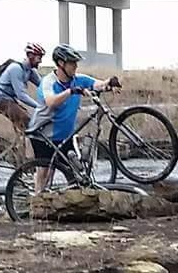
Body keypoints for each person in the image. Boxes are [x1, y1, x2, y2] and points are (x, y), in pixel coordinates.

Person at [29, 43, 120, 190]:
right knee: (45, 173)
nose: (76, 66)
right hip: (43, 134)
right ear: (61, 63)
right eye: (72, 63)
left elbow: (98, 84)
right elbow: (51, 102)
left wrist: (110, 83)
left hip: (65, 136)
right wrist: (71, 91)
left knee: (76, 174)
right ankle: (37, 203)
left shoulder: (78, 79)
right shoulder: (48, 82)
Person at [0, 43, 44, 134]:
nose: (40, 61)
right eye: (39, 58)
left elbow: (43, 86)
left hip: (9, 100)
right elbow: (21, 95)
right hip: (0, 100)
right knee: (28, 121)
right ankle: (24, 145)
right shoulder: (16, 69)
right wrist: (40, 106)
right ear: (30, 56)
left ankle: (21, 144)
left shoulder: (30, 71)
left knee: (31, 120)